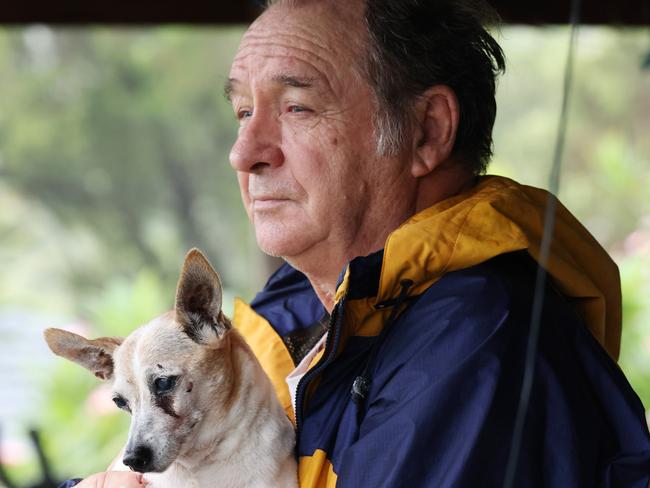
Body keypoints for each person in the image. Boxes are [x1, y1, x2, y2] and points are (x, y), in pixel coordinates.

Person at [60, 0, 650, 486]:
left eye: (296, 106)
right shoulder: (293, 314)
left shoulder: (477, 343)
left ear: (427, 131)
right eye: (243, 111)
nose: (244, 152)